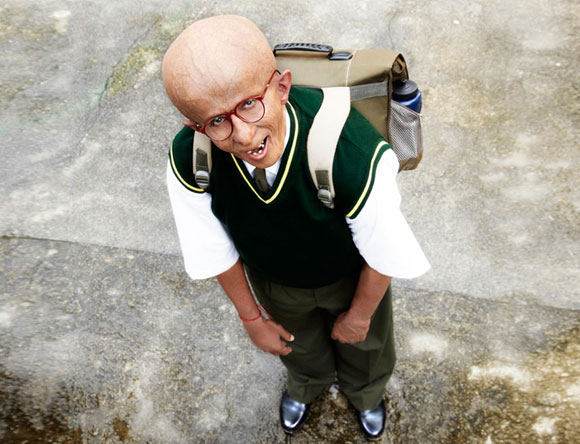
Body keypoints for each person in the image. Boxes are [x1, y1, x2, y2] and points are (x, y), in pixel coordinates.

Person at [162, 15, 429, 440]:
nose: (244, 135)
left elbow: (384, 251)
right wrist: (252, 317)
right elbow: (211, 247)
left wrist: (360, 314)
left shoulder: (352, 152)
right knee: (295, 342)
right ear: (194, 125)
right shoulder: (191, 159)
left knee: (367, 343)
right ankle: (307, 382)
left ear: (282, 87)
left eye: (250, 104)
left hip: (351, 277)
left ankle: (365, 392)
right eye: (217, 121)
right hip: (274, 279)